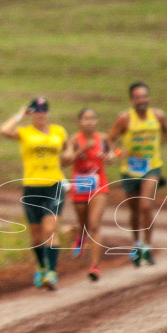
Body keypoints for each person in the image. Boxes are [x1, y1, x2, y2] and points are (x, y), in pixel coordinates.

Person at [107, 82, 167, 267]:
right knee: (133, 210)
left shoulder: (157, 115)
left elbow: (166, 129)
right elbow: (109, 140)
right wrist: (116, 153)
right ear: (132, 100)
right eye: (138, 97)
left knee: (145, 206)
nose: (142, 100)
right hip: (130, 169)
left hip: (152, 166)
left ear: (148, 98)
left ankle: (148, 246)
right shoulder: (125, 118)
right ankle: (137, 244)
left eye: (144, 96)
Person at [0, 97, 69, 290]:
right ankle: (42, 266)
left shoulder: (59, 131)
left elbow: (68, 150)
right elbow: (4, 130)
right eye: (36, 110)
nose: (40, 114)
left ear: (48, 112)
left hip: (53, 185)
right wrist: (20, 115)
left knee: (50, 230)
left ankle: (52, 273)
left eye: (43, 110)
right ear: (32, 113)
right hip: (31, 187)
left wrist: (69, 155)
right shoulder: (25, 132)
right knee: (37, 236)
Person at [61, 107, 113, 281]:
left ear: (96, 121)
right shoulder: (74, 140)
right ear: (80, 122)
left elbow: (111, 154)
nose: (90, 122)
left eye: (92, 118)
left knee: (94, 225)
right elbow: (65, 161)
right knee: (83, 222)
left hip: (99, 186)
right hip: (80, 186)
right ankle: (80, 236)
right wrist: (82, 149)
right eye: (86, 119)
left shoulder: (103, 138)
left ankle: (95, 266)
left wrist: (110, 157)